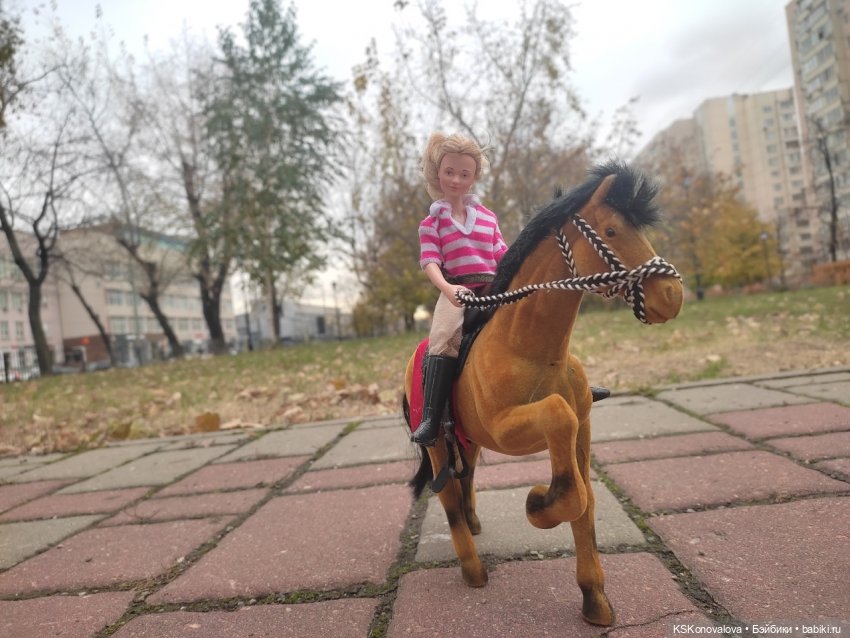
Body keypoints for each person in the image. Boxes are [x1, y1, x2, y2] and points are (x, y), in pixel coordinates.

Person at [411, 132, 508, 447]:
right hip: (457, 289)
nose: (456, 179)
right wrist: (447, 288)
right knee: (443, 338)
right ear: (437, 173)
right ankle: (431, 417)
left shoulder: (487, 218)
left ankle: (567, 384)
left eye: (464, 174)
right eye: (449, 172)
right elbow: (430, 261)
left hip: (493, 286)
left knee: (535, 315)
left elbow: (501, 254)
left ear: (474, 177)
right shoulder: (432, 223)